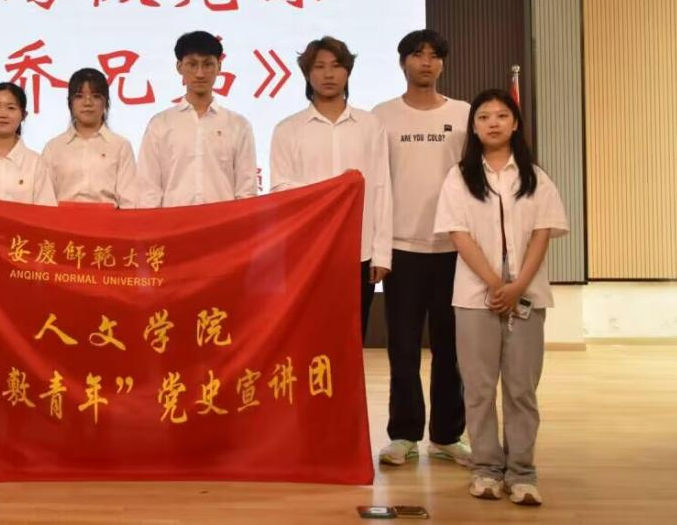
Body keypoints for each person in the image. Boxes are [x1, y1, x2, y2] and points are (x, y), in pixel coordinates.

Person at [433, 89, 568, 507]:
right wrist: (496, 284)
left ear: (515, 123)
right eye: (484, 117)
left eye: (502, 115)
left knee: (521, 389)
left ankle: (523, 473)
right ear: (473, 127)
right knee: (478, 388)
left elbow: (543, 234)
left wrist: (517, 286)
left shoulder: (535, 177)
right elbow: (459, 235)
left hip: (527, 295)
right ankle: (487, 469)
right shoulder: (459, 177)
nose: (493, 123)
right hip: (475, 297)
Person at [372, 30, 471, 467]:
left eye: (434, 56)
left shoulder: (464, 114)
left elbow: (475, 181)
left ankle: (448, 436)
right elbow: (377, 184)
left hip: (454, 248)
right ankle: (404, 434)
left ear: (443, 64)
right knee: (404, 348)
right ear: (402, 63)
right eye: (417, 55)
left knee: (451, 349)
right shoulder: (382, 116)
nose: (426, 62)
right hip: (401, 247)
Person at [270, 36, 391, 339]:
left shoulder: (370, 125)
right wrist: (334, 191)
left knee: (351, 338)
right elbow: (281, 190)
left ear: (347, 71)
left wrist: (381, 254)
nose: (328, 74)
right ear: (307, 73)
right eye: (319, 66)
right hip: (307, 252)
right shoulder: (287, 129)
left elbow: (381, 189)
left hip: (359, 250)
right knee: (308, 336)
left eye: (336, 66)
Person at [136, 31, 257, 208]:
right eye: (192, 64)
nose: (200, 73)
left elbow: (246, 191)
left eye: (208, 64)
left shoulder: (238, 125)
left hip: (223, 223)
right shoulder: (160, 124)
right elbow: (148, 191)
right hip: (174, 223)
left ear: (219, 67)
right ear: (179, 67)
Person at [41, 68, 136, 208]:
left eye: (95, 96)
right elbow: (44, 200)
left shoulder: (121, 146)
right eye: (79, 96)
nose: (87, 103)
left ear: (105, 102)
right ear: (70, 103)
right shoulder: (53, 148)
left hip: (108, 221)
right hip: (62, 220)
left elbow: (129, 202)